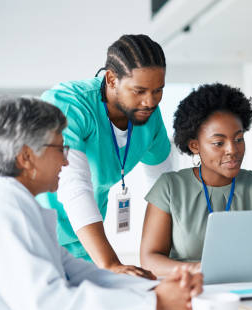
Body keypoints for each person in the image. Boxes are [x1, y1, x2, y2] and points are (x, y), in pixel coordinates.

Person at [0, 97, 203, 310]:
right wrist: (154, 305)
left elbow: (77, 273)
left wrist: (156, 288)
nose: (66, 159)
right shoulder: (3, 205)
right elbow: (48, 303)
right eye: (59, 148)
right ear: (25, 157)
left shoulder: (17, 203)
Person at [37, 34, 173, 279]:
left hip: (83, 243)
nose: (150, 102)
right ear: (111, 79)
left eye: (158, 90)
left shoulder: (149, 115)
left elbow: (163, 189)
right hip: (38, 234)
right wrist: (110, 263)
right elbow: (72, 184)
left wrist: (162, 255)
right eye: (139, 90)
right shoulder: (71, 104)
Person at [140, 83, 252, 276]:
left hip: (247, 287)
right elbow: (149, 260)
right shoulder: (170, 187)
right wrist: (198, 269)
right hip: (188, 289)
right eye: (218, 143)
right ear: (195, 145)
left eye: (238, 139)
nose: (232, 150)